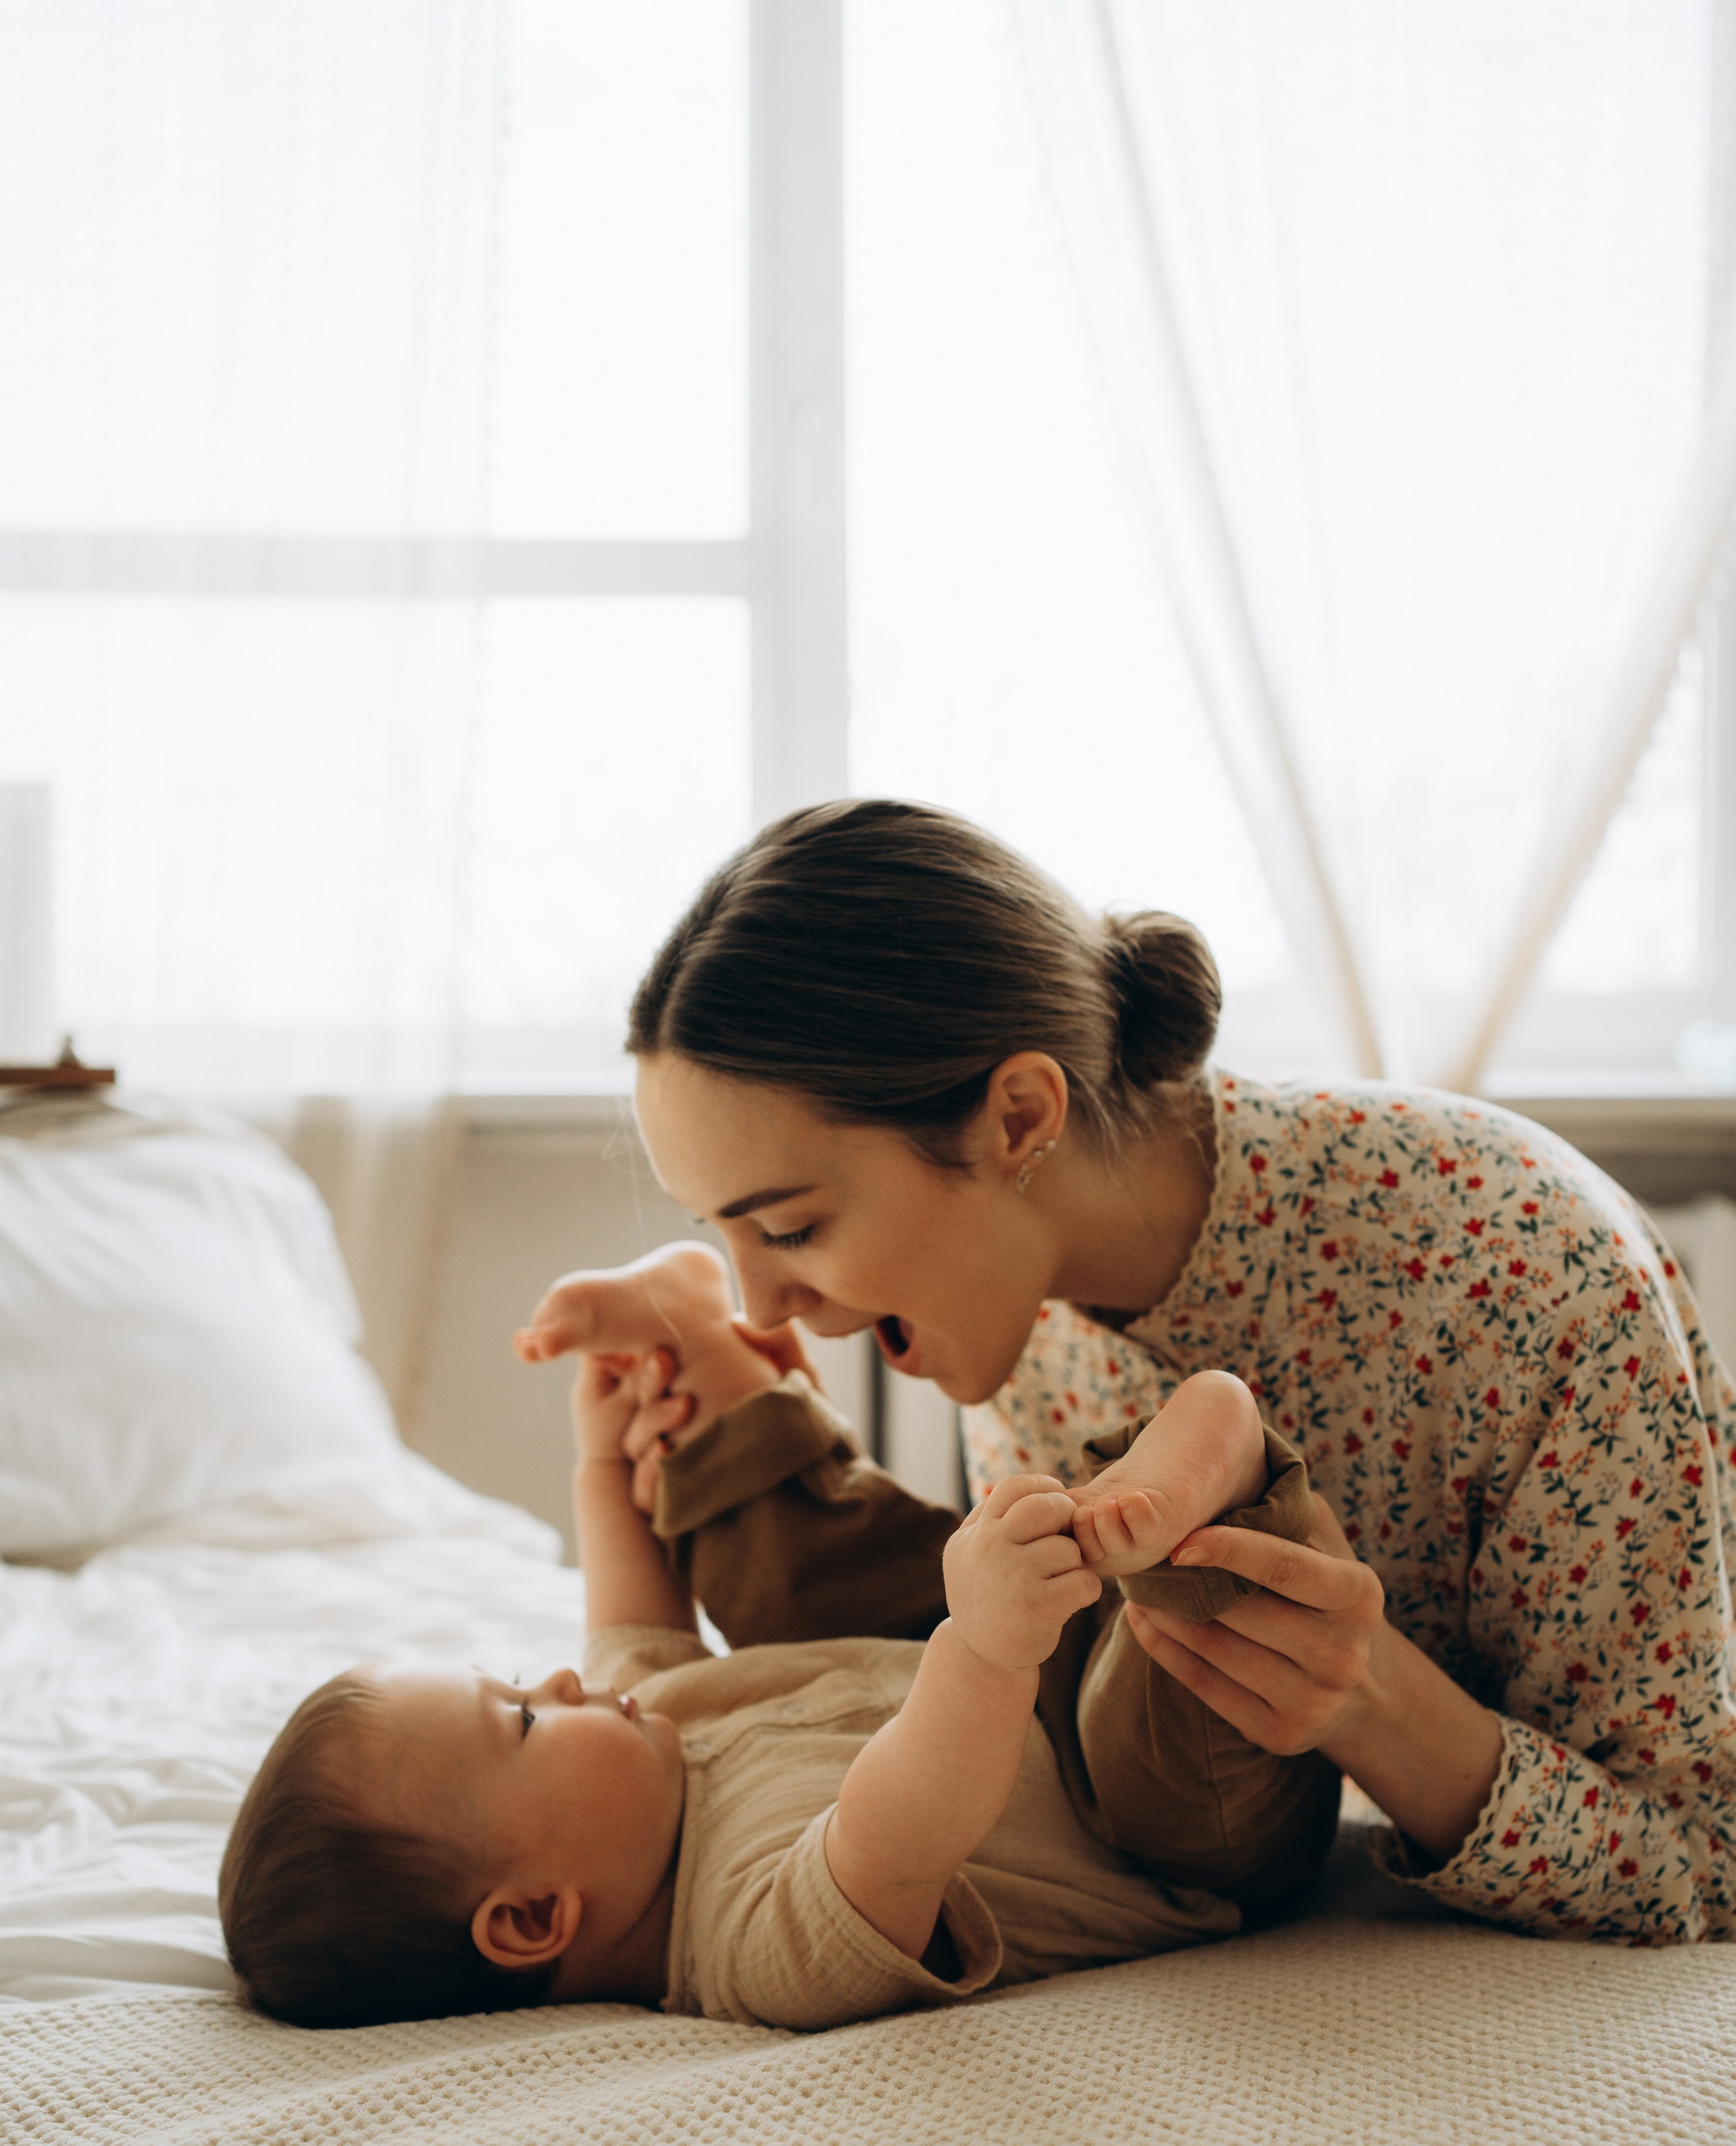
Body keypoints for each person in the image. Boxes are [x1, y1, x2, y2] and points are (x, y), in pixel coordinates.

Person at [519, 797, 1736, 1946]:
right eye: (722, 1236)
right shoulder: (1023, 1311)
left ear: (1017, 1118)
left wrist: (1375, 1699)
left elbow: (1698, 1858)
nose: (762, 1304)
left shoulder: (1522, 1273)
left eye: (789, 1227)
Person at [218, 1245, 1335, 2029]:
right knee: (1194, 1644)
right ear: (533, 1917)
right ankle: (1205, 1481)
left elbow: (627, 1612)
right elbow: (906, 1822)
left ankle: (695, 1341)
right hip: (1162, 1824)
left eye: (517, 1681)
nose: (556, 1678)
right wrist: (987, 1647)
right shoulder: (757, 1946)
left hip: (1014, 1644)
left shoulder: (652, 1734)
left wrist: (604, 1456)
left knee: (771, 1563)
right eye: (518, 1719)